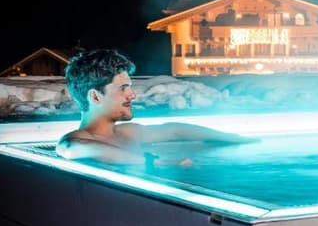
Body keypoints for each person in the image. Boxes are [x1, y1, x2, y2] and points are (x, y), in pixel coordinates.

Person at [56, 49, 255, 166]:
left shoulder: (127, 132)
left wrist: (236, 139)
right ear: (94, 96)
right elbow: (70, 150)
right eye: (123, 88)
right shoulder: (75, 142)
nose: (132, 95)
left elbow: (176, 131)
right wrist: (154, 163)